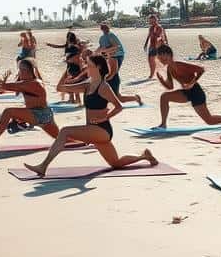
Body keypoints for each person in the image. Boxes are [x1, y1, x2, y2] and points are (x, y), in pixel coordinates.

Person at [22, 54, 156, 176]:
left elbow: (119, 106)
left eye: (89, 65)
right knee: (116, 163)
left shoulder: (104, 87)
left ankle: (43, 166)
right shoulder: (87, 84)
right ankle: (144, 156)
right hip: (92, 130)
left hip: (102, 130)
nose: (86, 67)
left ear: (97, 67)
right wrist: (65, 75)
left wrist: (105, 117)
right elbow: (60, 88)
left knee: (64, 131)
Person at [0, 58, 60, 150]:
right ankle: (21, 124)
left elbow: (3, 86)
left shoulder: (34, 83)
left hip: (40, 115)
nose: (19, 72)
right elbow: (6, 88)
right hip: (43, 115)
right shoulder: (27, 83)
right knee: (62, 139)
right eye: (19, 69)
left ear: (29, 71)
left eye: (21, 70)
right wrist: (4, 83)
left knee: (8, 112)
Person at [154, 45, 221, 128]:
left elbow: (201, 69)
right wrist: (162, 80)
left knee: (209, 120)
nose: (160, 60)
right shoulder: (169, 68)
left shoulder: (179, 65)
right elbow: (170, 87)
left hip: (196, 92)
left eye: (162, 57)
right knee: (164, 97)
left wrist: (192, 83)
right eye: (159, 58)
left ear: (169, 55)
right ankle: (163, 124)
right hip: (185, 92)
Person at [143, 13, 168, 79]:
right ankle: (152, 74)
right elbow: (148, 36)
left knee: (161, 61)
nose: (152, 22)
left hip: (158, 46)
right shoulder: (151, 27)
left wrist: (155, 34)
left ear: (156, 20)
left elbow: (160, 36)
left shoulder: (159, 27)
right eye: (150, 21)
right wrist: (145, 44)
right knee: (150, 60)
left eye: (153, 21)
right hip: (152, 46)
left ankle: (167, 73)